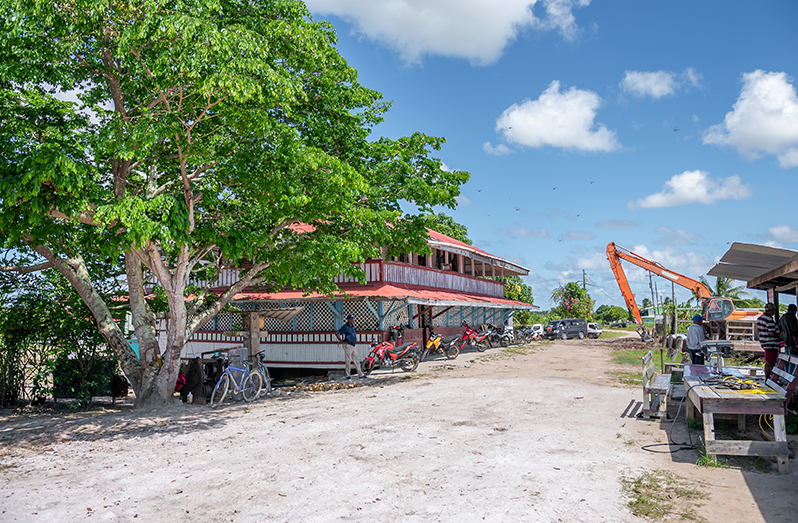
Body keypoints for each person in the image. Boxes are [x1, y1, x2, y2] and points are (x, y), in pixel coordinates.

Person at [335, 314, 365, 379]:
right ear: (348, 320)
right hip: (347, 345)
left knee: (356, 359)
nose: (353, 320)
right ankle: (348, 375)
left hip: (353, 345)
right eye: (351, 319)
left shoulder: (352, 326)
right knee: (348, 360)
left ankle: (360, 374)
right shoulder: (345, 327)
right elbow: (337, 333)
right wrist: (341, 341)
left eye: (353, 319)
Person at [757, 303, 781, 380]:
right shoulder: (769, 319)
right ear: (772, 310)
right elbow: (772, 333)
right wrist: (781, 337)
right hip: (771, 344)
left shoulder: (760, 318)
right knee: (771, 363)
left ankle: (768, 378)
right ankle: (769, 379)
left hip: (764, 342)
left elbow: (759, 331)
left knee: (768, 362)